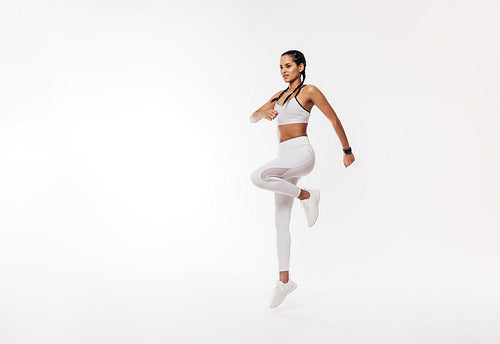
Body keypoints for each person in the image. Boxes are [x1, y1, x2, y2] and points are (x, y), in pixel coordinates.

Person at [249, 50, 355, 309]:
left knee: (258, 176)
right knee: (280, 222)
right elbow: (252, 117)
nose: (284, 70)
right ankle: (284, 282)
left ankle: (307, 195)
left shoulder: (309, 91)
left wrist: (347, 151)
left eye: (288, 65)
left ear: (301, 66)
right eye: (281, 67)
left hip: (301, 154)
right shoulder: (279, 96)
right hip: (283, 157)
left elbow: (333, 118)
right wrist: (265, 113)